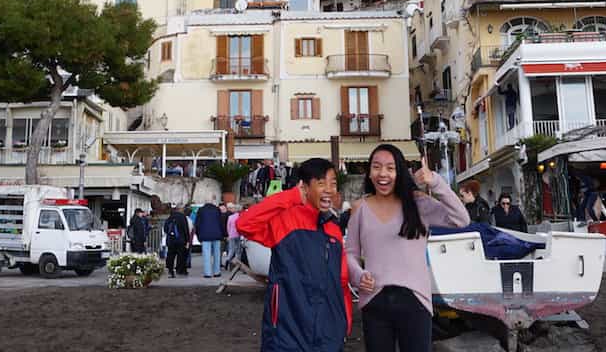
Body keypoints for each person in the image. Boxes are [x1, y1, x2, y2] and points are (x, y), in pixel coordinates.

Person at [345, 145, 469, 352]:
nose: (383, 174)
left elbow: (461, 219)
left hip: (415, 300)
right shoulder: (360, 208)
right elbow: (350, 253)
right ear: (369, 172)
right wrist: (358, 276)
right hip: (374, 300)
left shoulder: (418, 203)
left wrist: (435, 182)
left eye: (390, 168)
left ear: (399, 171)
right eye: (376, 167)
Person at [236, 158, 349, 352]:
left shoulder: (333, 228)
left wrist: (344, 321)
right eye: (321, 183)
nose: (329, 189)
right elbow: (245, 224)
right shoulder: (284, 220)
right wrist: (292, 197)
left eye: (333, 183)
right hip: (287, 332)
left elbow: (342, 280)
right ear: (304, 187)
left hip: (329, 333)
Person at [195, 198, 226, 277]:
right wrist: (223, 234)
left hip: (205, 235)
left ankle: (207, 273)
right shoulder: (217, 210)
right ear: (213, 202)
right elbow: (221, 223)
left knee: (206, 255)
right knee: (217, 254)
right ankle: (217, 272)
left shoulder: (201, 210)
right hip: (217, 234)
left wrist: (198, 235)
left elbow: (197, 224)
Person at [163, 206, 191, 277]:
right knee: (181, 255)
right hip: (181, 240)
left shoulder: (170, 217)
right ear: (181, 210)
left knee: (171, 255)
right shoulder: (183, 217)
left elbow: (165, 229)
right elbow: (186, 229)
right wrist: (187, 240)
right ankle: (179, 270)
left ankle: (170, 270)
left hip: (171, 240)